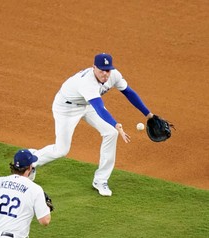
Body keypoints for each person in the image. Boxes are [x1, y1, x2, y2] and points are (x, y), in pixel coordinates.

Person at [30, 52, 154, 196]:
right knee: (61, 150)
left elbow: (129, 93)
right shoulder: (87, 82)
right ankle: (32, 160)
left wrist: (149, 115)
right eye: (101, 70)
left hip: (88, 105)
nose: (105, 74)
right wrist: (115, 124)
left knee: (110, 133)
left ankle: (101, 180)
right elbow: (99, 108)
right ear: (93, 67)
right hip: (67, 108)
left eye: (107, 70)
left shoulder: (114, 75)